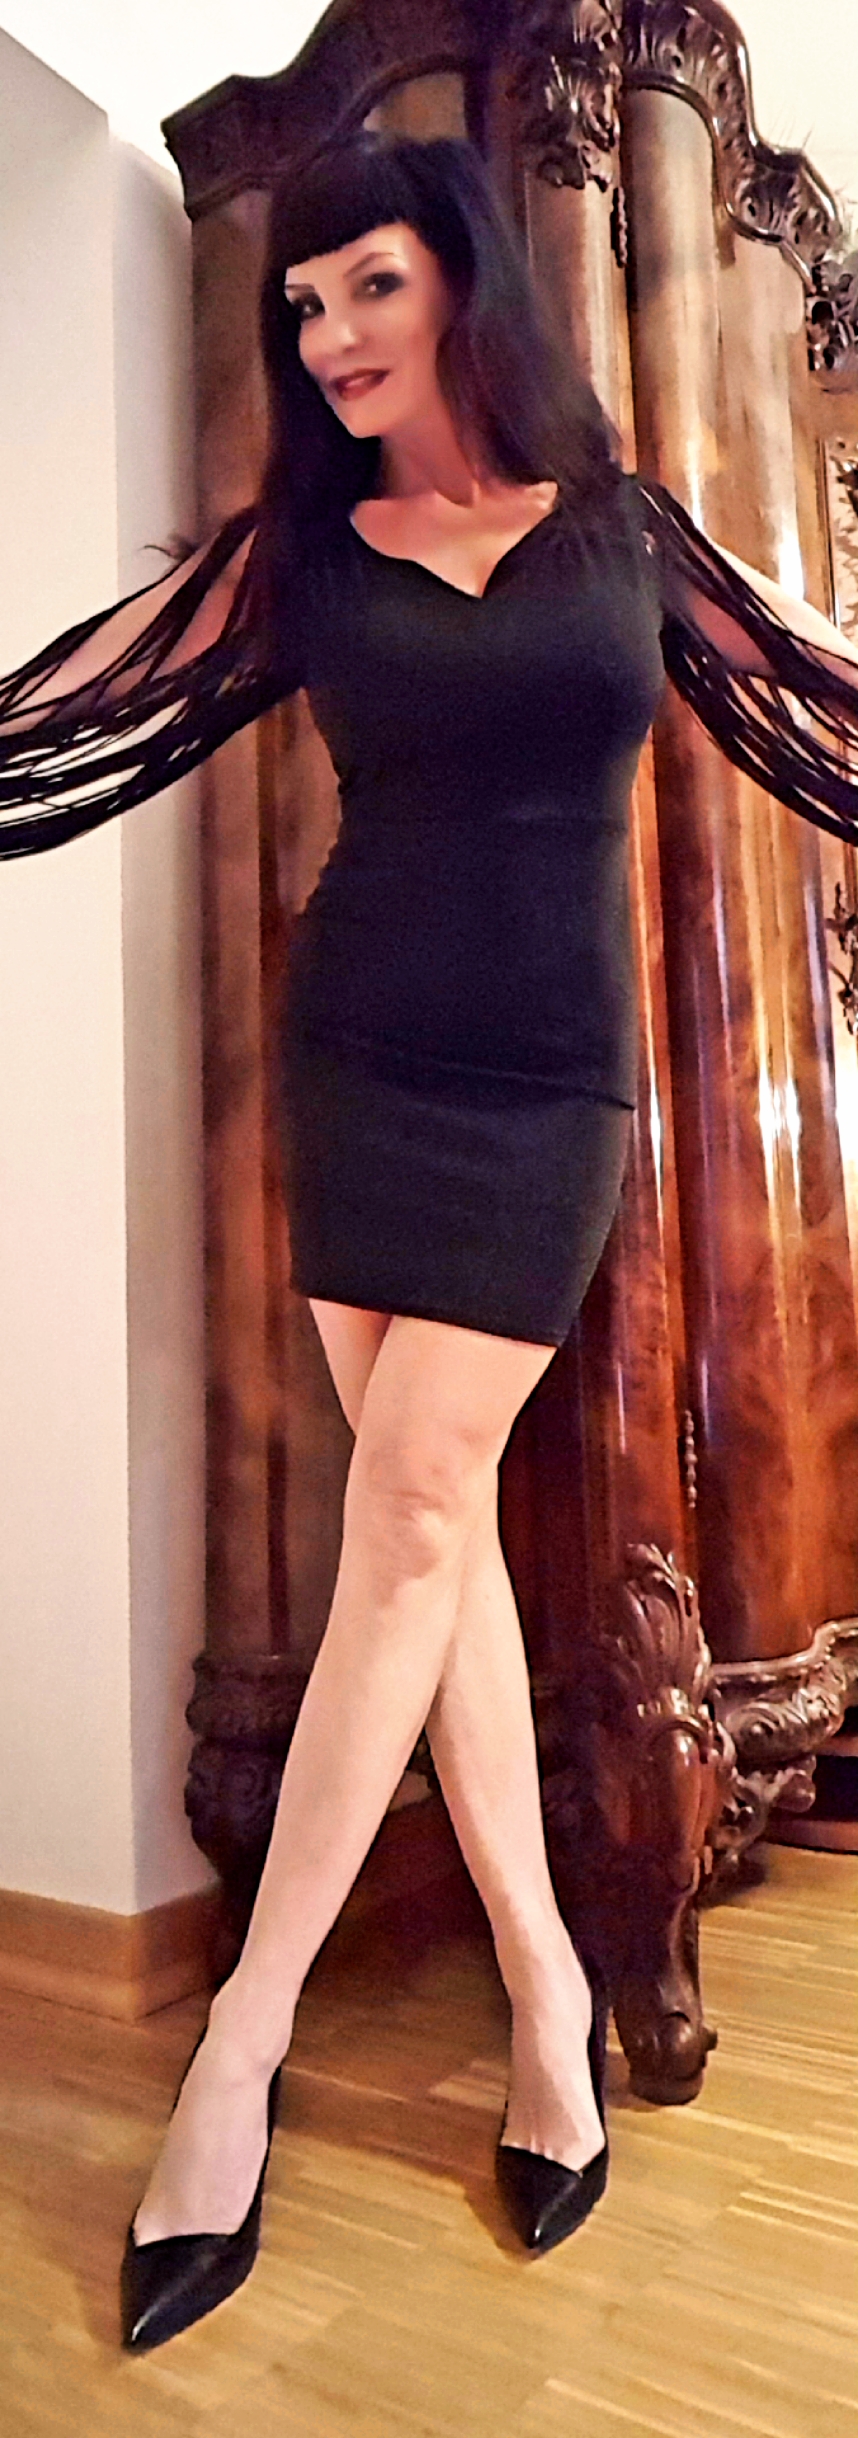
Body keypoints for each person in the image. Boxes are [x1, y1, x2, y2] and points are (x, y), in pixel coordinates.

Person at [2, 131, 858, 2353]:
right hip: (362, 1057)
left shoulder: (625, 533)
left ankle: (240, 2046)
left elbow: (818, 695)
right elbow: (78, 706)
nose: (327, 336)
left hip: (551, 1082)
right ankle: (548, 1994)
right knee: (431, 1529)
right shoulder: (304, 554)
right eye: (300, 306)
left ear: (462, 277)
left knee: (405, 1519)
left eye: (365, 284)